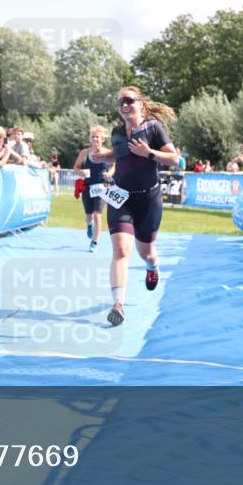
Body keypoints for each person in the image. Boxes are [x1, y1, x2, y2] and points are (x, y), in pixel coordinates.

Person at [88, 86, 179, 326]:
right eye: (120, 102)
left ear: (139, 103)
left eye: (129, 100)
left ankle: (153, 266)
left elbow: (174, 159)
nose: (124, 105)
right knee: (120, 250)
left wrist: (148, 152)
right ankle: (118, 304)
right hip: (121, 199)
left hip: (148, 200)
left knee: (145, 252)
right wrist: (102, 157)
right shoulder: (117, 132)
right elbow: (118, 155)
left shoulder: (153, 128)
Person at [73, 125, 113, 253]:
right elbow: (76, 167)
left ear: (102, 139)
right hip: (87, 187)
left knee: (97, 215)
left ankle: (94, 242)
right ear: (90, 139)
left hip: (102, 187)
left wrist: (109, 173)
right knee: (89, 216)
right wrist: (81, 172)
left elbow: (114, 166)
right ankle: (89, 225)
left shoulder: (108, 152)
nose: (95, 139)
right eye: (93, 137)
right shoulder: (84, 153)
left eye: (98, 137)